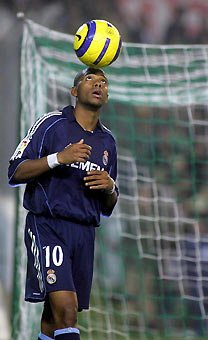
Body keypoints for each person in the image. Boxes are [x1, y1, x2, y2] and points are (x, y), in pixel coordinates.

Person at [8, 67, 119, 340]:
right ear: (74, 91)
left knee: (52, 320)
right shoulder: (51, 124)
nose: (98, 84)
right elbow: (14, 171)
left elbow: (107, 207)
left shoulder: (108, 142)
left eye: (103, 82)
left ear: (106, 95)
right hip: (48, 225)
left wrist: (110, 187)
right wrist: (59, 158)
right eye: (90, 79)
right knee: (67, 313)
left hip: (83, 234)